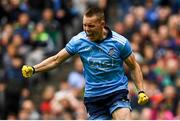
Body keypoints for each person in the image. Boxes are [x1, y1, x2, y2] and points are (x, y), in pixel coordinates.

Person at [22, 7, 149, 120]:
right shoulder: (79, 41)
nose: (87, 30)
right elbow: (56, 60)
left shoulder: (120, 43)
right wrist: (34, 69)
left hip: (116, 92)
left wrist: (141, 91)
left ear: (102, 24)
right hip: (94, 97)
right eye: (84, 25)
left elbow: (134, 66)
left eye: (91, 26)